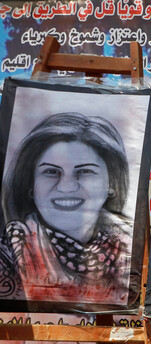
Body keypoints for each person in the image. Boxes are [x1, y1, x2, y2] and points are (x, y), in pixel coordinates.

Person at [0, 112, 132, 303]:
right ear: (31, 185)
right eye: (51, 172)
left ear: (111, 183)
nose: (66, 187)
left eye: (85, 171)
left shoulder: (136, 249)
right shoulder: (8, 254)